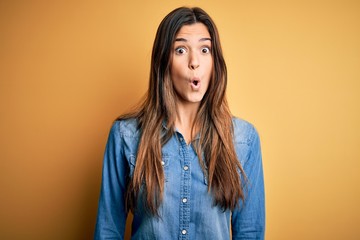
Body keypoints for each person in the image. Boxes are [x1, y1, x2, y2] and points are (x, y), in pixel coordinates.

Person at [94, 6, 265, 240]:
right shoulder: (126, 135)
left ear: (215, 63)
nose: (194, 62)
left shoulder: (244, 139)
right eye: (181, 50)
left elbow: (250, 233)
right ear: (164, 61)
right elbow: (107, 231)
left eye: (205, 50)